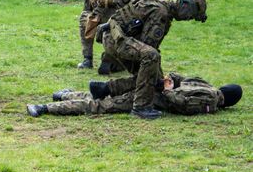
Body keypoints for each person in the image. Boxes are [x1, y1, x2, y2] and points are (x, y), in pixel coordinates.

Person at [96, 0, 207, 119]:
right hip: (116, 39)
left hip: (114, 35)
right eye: (191, 15)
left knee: (152, 76)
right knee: (151, 58)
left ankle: (103, 89)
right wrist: (157, 80)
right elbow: (148, 47)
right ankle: (141, 107)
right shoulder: (161, 13)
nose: (188, 19)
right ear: (186, 5)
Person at [26, 73, 242, 117]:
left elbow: (181, 90)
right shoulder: (210, 97)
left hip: (151, 91)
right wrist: (169, 86)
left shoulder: (209, 91)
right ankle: (51, 104)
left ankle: (59, 99)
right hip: (151, 96)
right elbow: (183, 101)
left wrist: (168, 84)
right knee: (101, 105)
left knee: (103, 101)